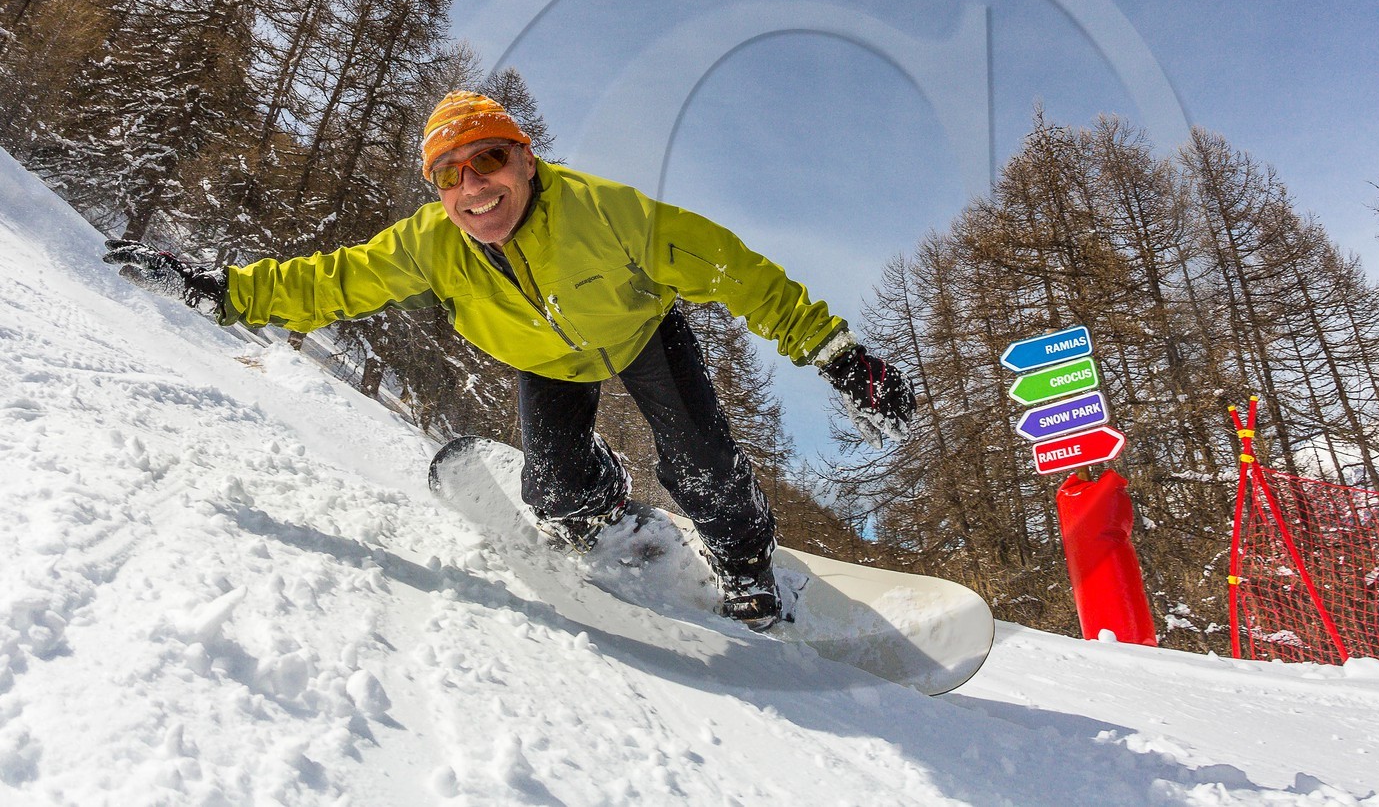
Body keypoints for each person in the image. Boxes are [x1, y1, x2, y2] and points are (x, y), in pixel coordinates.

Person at [104, 90, 915, 630]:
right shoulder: (428, 244)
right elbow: (332, 282)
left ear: (526, 160)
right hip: (548, 359)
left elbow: (736, 271)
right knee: (554, 495)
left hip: (639, 330)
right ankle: (596, 501)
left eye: (488, 160)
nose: (473, 187)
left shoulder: (608, 215)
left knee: (699, 459)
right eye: (449, 175)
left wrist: (838, 356)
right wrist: (221, 291)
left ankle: (745, 564)